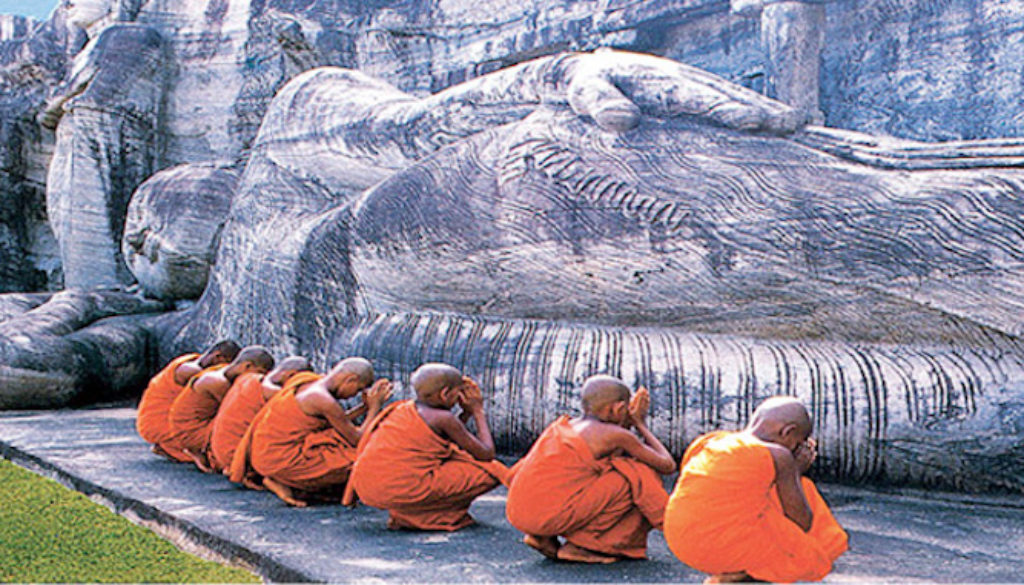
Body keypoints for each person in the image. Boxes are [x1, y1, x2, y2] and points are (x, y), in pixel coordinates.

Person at [663, 396, 848, 583]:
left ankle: (737, 571)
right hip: (718, 546)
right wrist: (794, 471)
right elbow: (802, 521)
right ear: (787, 432)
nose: (796, 449)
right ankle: (740, 576)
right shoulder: (779, 455)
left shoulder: (710, 441)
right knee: (813, 550)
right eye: (798, 443)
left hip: (678, 538)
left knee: (770, 506)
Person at [505, 375, 674, 563]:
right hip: (545, 516)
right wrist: (640, 424)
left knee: (615, 469)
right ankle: (581, 547)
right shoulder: (614, 434)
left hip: (519, 512)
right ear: (618, 408)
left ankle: (541, 536)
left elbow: (612, 454)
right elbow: (667, 465)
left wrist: (626, 424)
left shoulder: (566, 424)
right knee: (635, 477)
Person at [343, 363, 510, 531]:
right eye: (458, 392)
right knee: (492, 470)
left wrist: (465, 413)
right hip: (402, 488)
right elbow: (486, 453)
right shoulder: (443, 418)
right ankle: (426, 517)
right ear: (445, 394)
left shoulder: (404, 408)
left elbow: (444, 438)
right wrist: (477, 410)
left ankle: (406, 513)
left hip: (370, 488)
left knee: (458, 459)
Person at [234, 357, 391, 506]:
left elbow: (338, 421)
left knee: (340, 444)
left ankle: (290, 483)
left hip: (267, 451)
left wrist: (364, 408)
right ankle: (289, 482)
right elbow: (357, 440)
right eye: (357, 390)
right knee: (363, 460)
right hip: (281, 458)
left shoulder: (310, 382)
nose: (354, 395)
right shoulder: (322, 400)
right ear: (350, 379)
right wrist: (375, 407)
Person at [165, 346, 275, 472]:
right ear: (247, 366)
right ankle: (207, 453)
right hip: (192, 429)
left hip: (205, 421)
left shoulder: (223, 372)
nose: (258, 378)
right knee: (245, 427)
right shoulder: (218, 382)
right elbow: (232, 413)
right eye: (259, 372)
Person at [136, 340, 240, 461]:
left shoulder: (190, 359)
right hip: (158, 422)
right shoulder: (190, 371)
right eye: (227, 364)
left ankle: (167, 446)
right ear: (218, 357)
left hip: (153, 419)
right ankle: (178, 448)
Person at [207, 355, 312, 474]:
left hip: (220, 452)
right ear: (291, 375)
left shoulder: (245, 378)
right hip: (235, 455)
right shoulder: (273, 392)